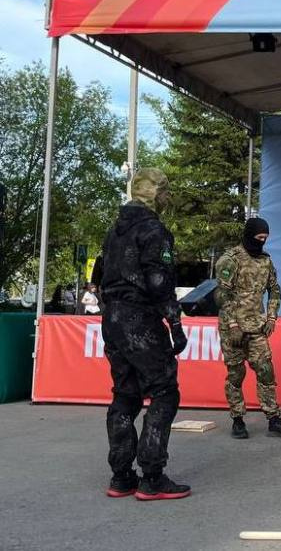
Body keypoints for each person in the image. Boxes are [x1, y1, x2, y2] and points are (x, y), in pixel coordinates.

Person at [99, 168, 190, 500]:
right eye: (167, 192)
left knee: (125, 394)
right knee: (164, 391)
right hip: (140, 318)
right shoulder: (154, 230)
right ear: (158, 194)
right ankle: (152, 476)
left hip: (112, 318)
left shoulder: (114, 231)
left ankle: (121, 475)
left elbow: (100, 276)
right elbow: (159, 282)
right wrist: (175, 324)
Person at [214, 217, 281, 440]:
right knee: (236, 373)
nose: (262, 242)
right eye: (259, 237)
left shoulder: (265, 261)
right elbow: (222, 294)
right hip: (232, 328)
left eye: (265, 238)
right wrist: (233, 324)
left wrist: (271, 318)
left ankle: (274, 419)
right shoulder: (230, 260)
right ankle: (238, 419)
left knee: (266, 370)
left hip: (256, 327)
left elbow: (274, 289)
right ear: (249, 234)